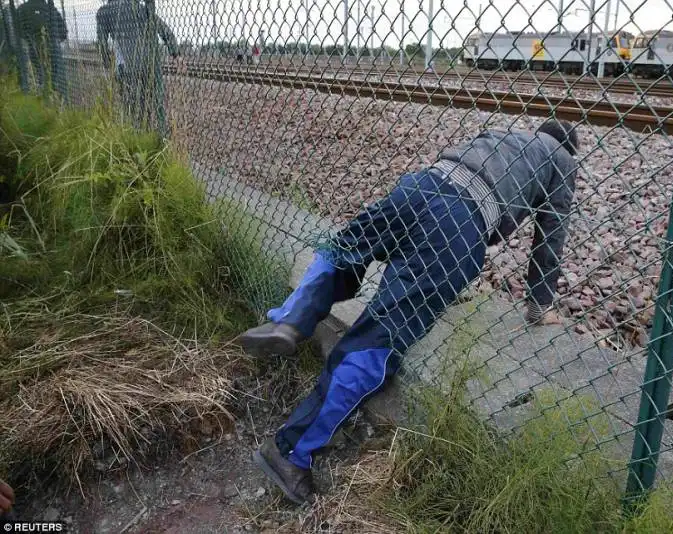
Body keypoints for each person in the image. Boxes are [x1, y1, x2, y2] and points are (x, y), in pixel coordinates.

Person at [237, 120, 580, 504]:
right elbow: (551, 234)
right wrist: (539, 304)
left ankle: (289, 320)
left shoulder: (507, 133)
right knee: (376, 344)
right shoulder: (562, 160)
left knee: (344, 250)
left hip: (420, 186)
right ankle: (290, 453)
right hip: (459, 223)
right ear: (568, 147)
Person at [96, 0, 178, 135]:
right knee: (153, 100)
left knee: (131, 103)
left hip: (125, 66)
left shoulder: (104, 12)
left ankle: (137, 133)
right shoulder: (141, 8)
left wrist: (107, 63)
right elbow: (163, 29)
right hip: (148, 62)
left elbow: (102, 45)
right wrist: (175, 52)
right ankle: (158, 132)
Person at [15, 0, 67, 94]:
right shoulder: (51, 8)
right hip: (52, 49)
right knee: (55, 78)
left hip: (32, 48)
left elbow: (17, 31)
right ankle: (56, 96)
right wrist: (54, 39)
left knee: (38, 74)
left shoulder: (21, 9)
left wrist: (28, 38)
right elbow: (63, 31)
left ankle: (40, 93)